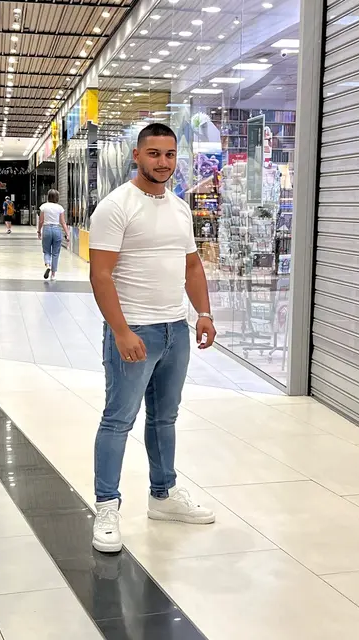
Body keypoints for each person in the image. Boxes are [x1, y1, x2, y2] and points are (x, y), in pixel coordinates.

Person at [89, 123, 217, 554]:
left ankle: (163, 495)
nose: (163, 162)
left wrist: (203, 313)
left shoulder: (180, 208)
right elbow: (101, 275)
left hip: (174, 330)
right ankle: (106, 507)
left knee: (164, 418)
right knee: (117, 420)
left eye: (169, 154)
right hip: (135, 330)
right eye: (154, 153)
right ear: (137, 156)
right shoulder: (116, 207)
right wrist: (121, 331)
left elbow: (192, 265)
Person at [37, 189, 70, 282]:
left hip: (47, 229)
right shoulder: (60, 208)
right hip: (56, 229)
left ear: (48, 196)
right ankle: (53, 274)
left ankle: (48, 265)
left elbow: (41, 221)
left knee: (46, 251)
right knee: (55, 253)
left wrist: (39, 231)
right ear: (57, 197)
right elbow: (63, 222)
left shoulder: (43, 207)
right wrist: (67, 234)